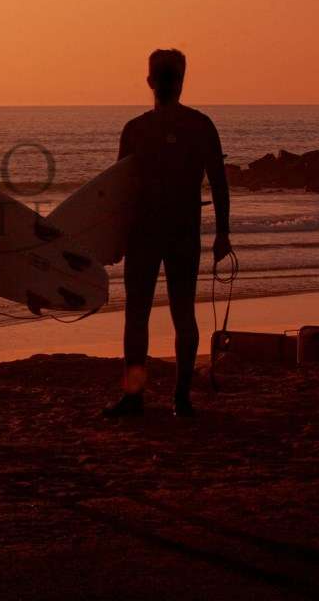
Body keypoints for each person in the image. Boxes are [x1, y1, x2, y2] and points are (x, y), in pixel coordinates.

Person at [104, 49, 231, 419]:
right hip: (182, 232)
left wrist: (112, 238)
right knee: (182, 313)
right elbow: (219, 184)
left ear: (149, 82)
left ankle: (135, 397)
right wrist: (222, 233)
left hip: (144, 233)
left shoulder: (136, 128)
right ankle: (180, 398)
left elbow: (118, 191)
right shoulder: (200, 125)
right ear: (182, 80)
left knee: (137, 315)